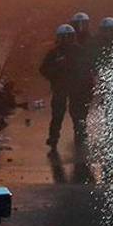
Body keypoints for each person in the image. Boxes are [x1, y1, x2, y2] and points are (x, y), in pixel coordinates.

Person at [40, 24, 94, 153]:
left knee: (77, 114)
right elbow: (43, 69)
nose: (66, 40)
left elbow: (88, 69)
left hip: (76, 89)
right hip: (62, 88)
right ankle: (54, 138)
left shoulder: (79, 52)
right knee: (58, 114)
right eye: (63, 38)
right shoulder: (55, 53)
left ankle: (79, 135)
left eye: (68, 37)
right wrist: (55, 71)